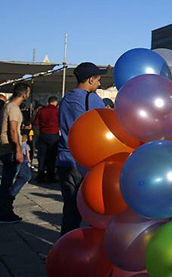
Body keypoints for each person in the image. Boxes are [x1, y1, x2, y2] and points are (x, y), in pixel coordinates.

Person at [57, 62, 107, 236]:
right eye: (98, 80)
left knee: (70, 211)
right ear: (91, 80)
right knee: (96, 210)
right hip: (84, 163)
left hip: (64, 161)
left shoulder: (65, 99)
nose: (99, 84)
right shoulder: (91, 99)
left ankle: (65, 245)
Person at [0, 82, 31, 223]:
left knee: (11, 179)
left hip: (7, 148)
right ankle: (5, 205)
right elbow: (12, 130)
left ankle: (5, 204)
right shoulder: (13, 108)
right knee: (20, 176)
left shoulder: (8, 106)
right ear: (24, 94)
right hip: (11, 149)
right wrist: (18, 150)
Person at [34, 96, 60, 183]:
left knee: (42, 156)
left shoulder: (41, 111)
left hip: (43, 134)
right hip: (54, 135)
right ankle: (50, 176)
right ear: (55, 102)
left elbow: (36, 123)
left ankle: (40, 175)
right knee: (52, 157)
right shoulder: (57, 111)